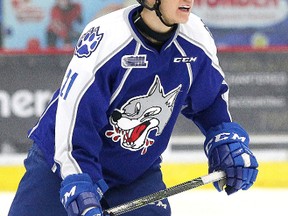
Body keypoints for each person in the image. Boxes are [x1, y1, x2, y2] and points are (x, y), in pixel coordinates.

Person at [9, 0, 259, 215]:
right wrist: (79, 179)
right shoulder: (107, 37)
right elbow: (76, 119)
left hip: (135, 174)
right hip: (61, 166)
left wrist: (224, 138)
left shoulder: (196, 37)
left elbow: (210, 101)